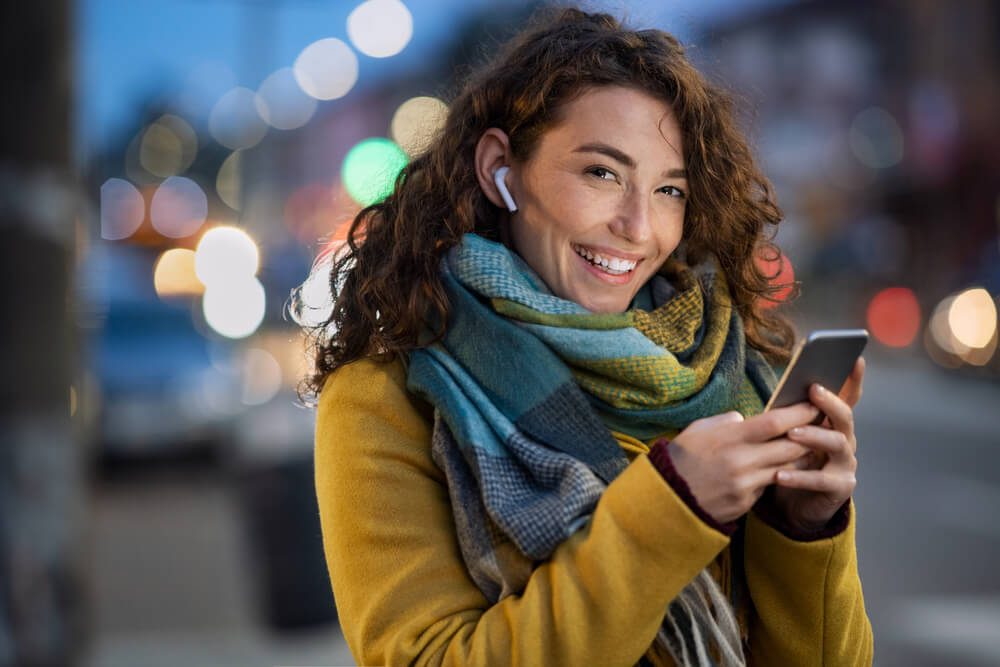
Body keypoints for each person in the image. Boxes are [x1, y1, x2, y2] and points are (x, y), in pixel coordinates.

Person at [301, 8, 873, 666]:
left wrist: (803, 525)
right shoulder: (386, 400)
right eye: (602, 173)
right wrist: (670, 507)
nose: (637, 226)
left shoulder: (733, 369)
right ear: (500, 169)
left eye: (668, 190)